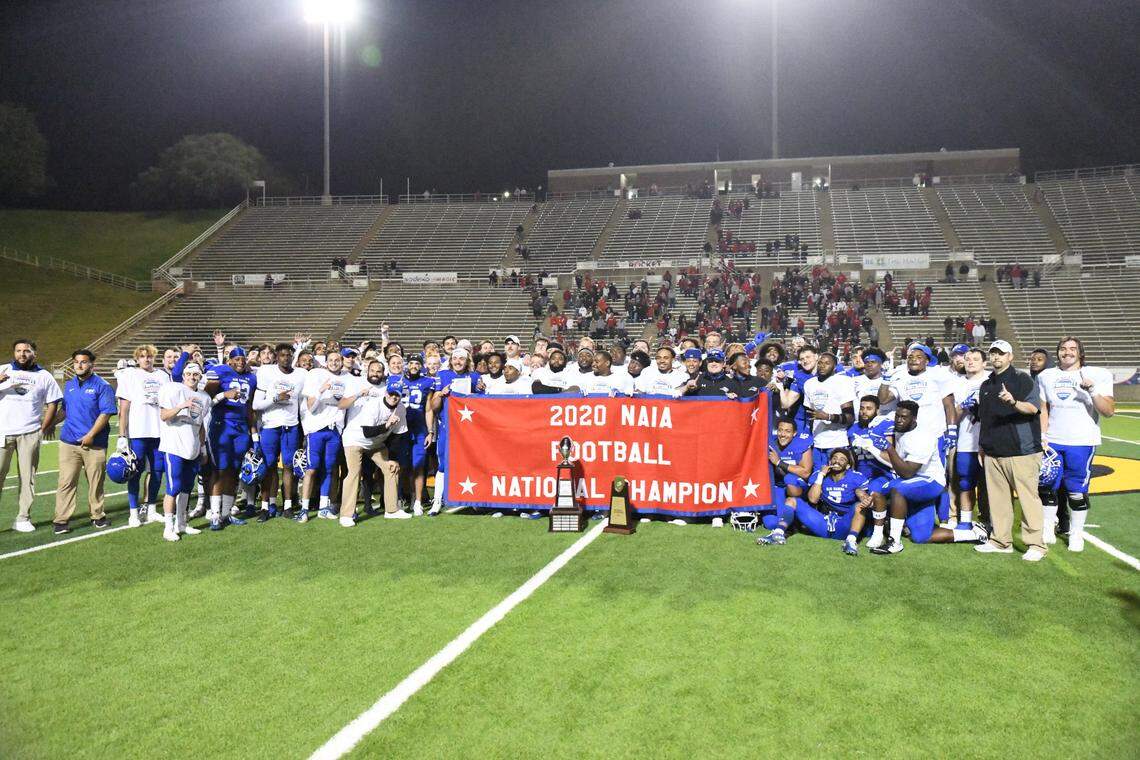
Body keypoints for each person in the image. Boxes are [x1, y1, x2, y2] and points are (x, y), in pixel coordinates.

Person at [871, 401, 987, 555]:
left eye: (903, 417)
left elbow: (907, 472)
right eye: (897, 416)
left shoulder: (922, 437)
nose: (899, 420)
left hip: (930, 481)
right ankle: (973, 534)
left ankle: (894, 541)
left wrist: (889, 448)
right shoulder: (901, 430)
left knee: (897, 489)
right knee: (921, 536)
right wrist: (873, 448)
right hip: (915, 483)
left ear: (914, 419)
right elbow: (900, 465)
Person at [1036, 336, 1115, 551]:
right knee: (1047, 485)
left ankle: (1076, 533)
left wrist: (1091, 391)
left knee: (1076, 490)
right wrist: (1043, 435)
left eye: (1072, 349)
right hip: (1053, 439)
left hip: (1081, 440)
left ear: (1080, 353)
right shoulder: (1046, 375)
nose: (1067, 352)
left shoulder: (1097, 375)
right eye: (1063, 348)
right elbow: (1044, 408)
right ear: (1058, 352)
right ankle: (1047, 527)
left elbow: (1108, 411)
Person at [975, 340, 1047, 561]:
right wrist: (982, 446)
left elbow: (1033, 408)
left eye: (1001, 353)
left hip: (1021, 450)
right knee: (998, 501)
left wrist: (1013, 401)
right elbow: (984, 419)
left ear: (1010, 357)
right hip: (993, 450)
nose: (996, 357)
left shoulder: (1021, 379)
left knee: (1028, 499)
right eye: (993, 353)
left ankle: (1036, 544)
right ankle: (1000, 541)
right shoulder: (986, 385)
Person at [52, 349, 116, 534]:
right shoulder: (70, 385)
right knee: (66, 482)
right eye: (76, 362)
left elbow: (105, 414)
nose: (79, 365)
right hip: (68, 443)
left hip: (94, 445)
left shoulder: (102, 386)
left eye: (84, 362)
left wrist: (90, 435)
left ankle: (97, 516)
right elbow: (65, 410)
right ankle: (61, 521)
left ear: (91, 364)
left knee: (96, 484)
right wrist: (49, 424)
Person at [339, 362, 409, 525]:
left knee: (392, 468)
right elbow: (367, 432)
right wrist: (386, 425)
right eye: (391, 393)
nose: (394, 397)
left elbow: (399, 435)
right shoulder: (374, 405)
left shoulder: (401, 409)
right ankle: (346, 515)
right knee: (354, 472)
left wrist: (393, 458)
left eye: (397, 395)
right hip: (355, 439)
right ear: (386, 392)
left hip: (376, 443)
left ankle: (392, 510)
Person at [204, 346, 258, 529]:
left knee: (234, 472)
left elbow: (250, 407)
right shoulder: (221, 372)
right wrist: (223, 394)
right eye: (237, 359)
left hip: (241, 427)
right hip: (222, 425)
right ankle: (215, 514)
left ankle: (226, 514)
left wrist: (254, 434)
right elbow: (206, 397)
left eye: (243, 359)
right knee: (219, 470)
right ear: (229, 361)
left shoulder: (251, 377)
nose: (240, 362)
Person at [252, 343, 307, 520]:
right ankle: (266, 506)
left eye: (289, 355)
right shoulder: (266, 372)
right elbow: (256, 404)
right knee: (269, 467)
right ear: (276, 356)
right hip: (270, 425)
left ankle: (289, 505)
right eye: (282, 355)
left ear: (293, 356)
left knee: (289, 466)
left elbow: (303, 404)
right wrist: (276, 398)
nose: (286, 358)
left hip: (291, 426)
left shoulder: (301, 375)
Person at [156, 362, 210, 542]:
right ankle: (168, 527)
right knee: (173, 488)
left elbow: (201, 425)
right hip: (174, 447)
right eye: (189, 374)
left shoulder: (204, 397)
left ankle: (181, 523)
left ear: (200, 377)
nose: (192, 377)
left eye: (196, 374)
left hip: (192, 448)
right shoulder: (173, 389)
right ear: (184, 375)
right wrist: (181, 406)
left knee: (187, 488)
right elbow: (164, 416)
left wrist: (202, 449)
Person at [116, 344, 168, 527]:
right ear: (137, 359)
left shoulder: (163, 376)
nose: (146, 359)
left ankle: (152, 509)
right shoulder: (129, 375)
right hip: (138, 432)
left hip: (159, 432)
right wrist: (122, 435)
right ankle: (133, 513)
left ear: (154, 357)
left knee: (157, 472)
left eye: (150, 356)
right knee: (134, 473)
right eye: (143, 356)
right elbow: (124, 408)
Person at [300, 349, 349, 521]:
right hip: (317, 428)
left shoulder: (346, 377)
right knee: (312, 469)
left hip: (334, 429)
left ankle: (323, 507)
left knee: (329, 469)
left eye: (337, 360)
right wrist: (321, 391)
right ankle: (304, 508)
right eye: (331, 360)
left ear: (341, 362)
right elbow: (311, 407)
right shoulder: (315, 374)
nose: (334, 362)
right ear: (325, 361)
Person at [756, 417, 812, 545]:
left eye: (787, 431)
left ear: (794, 433)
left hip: (797, 486)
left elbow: (806, 472)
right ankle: (791, 523)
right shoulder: (772, 445)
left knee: (789, 478)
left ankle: (797, 518)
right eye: (780, 430)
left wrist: (779, 463)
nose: (783, 434)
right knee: (770, 523)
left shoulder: (802, 445)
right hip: (779, 486)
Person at [791, 352, 854, 466]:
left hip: (836, 442)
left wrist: (828, 417)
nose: (822, 366)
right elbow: (810, 415)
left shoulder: (843, 382)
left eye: (827, 363)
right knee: (816, 479)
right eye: (820, 363)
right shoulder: (809, 384)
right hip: (817, 442)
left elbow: (850, 417)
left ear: (834, 367)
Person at [951, 348, 989, 529]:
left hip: (989, 440)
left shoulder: (992, 380)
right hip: (966, 440)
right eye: (967, 359)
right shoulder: (956, 383)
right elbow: (952, 416)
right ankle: (965, 521)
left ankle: (989, 521)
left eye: (975, 359)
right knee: (965, 482)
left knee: (990, 484)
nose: (971, 362)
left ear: (984, 363)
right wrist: (963, 407)